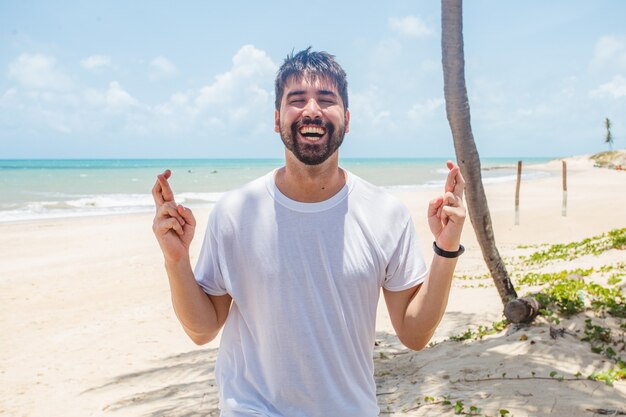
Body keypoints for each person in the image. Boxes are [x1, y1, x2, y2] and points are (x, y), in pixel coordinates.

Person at [152, 47, 466, 417]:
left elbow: (414, 335)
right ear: (277, 119)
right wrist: (176, 260)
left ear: (347, 120)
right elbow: (202, 330)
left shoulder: (385, 213)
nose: (312, 110)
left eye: (326, 99)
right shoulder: (236, 212)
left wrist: (446, 250)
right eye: (297, 99)